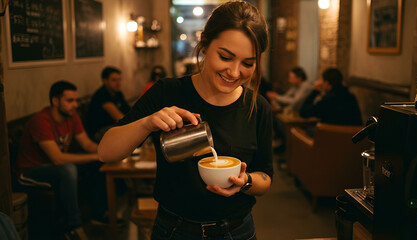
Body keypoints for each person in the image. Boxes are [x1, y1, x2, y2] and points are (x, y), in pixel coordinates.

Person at [98, 1, 273, 239]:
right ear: (204, 45)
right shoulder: (167, 93)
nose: (234, 72)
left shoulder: (258, 107)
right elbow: (106, 152)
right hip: (174, 229)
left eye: (247, 63)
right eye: (225, 56)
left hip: (236, 231)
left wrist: (246, 181)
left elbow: (265, 176)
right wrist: (147, 122)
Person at [15, 81, 111, 240]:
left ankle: (99, 214)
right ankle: (73, 227)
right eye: (70, 100)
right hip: (30, 171)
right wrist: (96, 155)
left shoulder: (71, 116)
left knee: (96, 163)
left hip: (55, 167)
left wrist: (108, 152)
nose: (75, 105)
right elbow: (57, 159)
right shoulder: (41, 121)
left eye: (76, 100)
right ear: (55, 101)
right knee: (68, 169)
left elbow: (87, 144)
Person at [299, 68, 363, 136]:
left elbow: (303, 112)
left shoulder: (327, 100)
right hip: (350, 139)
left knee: (301, 130)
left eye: (322, 81)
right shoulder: (351, 98)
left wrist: (315, 91)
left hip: (329, 138)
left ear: (326, 83)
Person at [86, 66, 130, 142]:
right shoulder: (102, 95)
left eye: (119, 79)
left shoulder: (118, 93)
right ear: (105, 81)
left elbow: (129, 111)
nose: (118, 83)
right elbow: (119, 118)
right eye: (114, 80)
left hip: (114, 127)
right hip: (99, 131)